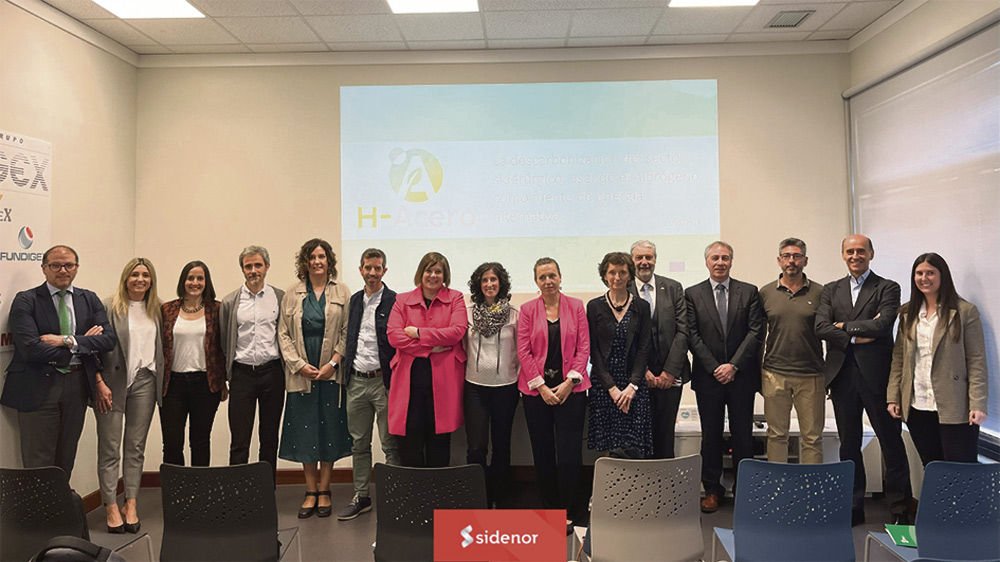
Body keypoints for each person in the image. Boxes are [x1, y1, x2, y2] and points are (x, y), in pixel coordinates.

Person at [816, 235, 912, 526]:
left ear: (871, 253)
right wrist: (858, 335)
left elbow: (883, 325)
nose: (855, 256)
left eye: (861, 251)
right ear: (843, 255)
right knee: (849, 445)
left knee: (891, 443)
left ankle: (899, 509)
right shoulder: (831, 289)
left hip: (878, 377)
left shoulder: (887, 287)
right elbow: (820, 326)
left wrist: (843, 326)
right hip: (842, 376)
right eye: (850, 251)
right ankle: (853, 507)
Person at [1, 245, 116, 479]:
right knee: (38, 462)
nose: (63, 270)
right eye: (55, 265)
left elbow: (108, 340)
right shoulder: (27, 300)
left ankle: (60, 503)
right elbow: (31, 348)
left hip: (77, 384)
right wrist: (81, 347)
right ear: (44, 268)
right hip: (37, 385)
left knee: (66, 457)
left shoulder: (89, 299)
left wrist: (67, 341)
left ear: (76, 267)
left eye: (69, 265)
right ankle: (39, 505)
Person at [888, 253, 988, 465]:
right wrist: (894, 397)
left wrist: (978, 403)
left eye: (930, 273)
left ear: (943, 276)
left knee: (960, 469)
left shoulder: (964, 312)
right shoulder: (908, 313)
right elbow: (899, 359)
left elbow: (976, 361)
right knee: (932, 466)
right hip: (918, 405)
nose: (924, 278)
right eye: (919, 273)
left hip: (955, 405)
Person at [277, 238, 352, 519]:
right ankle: (310, 490)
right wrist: (298, 365)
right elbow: (283, 333)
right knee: (305, 430)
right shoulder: (292, 293)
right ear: (305, 262)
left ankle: (325, 489)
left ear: (329, 261)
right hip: (302, 374)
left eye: (322, 256)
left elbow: (347, 331)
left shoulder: (342, 291)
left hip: (331, 372)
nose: (317, 261)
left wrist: (333, 363)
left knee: (329, 429)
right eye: (312, 257)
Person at [685, 241, 762, 513]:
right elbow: (691, 334)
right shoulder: (692, 294)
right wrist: (715, 367)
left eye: (725, 258)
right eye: (715, 258)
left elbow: (755, 332)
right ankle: (712, 490)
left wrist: (733, 366)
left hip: (741, 377)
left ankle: (745, 491)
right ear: (707, 262)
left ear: (731, 261)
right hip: (708, 378)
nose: (720, 262)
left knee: (743, 436)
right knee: (711, 437)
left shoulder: (749, 292)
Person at [517, 257, 590, 532]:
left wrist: (569, 382)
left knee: (570, 452)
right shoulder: (527, 310)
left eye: (552, 276)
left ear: (560, 277)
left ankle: (569, 508)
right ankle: (549, 508)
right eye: (542, 277)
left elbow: (584, 347)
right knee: (543, 450)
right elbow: (523, 350)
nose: (548, 281)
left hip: (572, 390)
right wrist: (542, 387)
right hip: (537, 392)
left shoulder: (577, 306)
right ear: (536, 281)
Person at [94, 258, 163, 534]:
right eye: (135, 274)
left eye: (145, 275)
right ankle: (110, 504)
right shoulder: (108, 306)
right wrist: (98, 382)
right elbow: (92, 348)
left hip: (146, 381)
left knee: (135, 446)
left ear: (151, 279)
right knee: (110, 448)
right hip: (112, 384)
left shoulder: (157, 308)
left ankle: (131, 503)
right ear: (126, 278)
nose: (140, 279)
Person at [387, 252, 467, 467]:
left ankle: (437, 488)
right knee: (409, 443)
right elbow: (394, 336)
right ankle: (414, 489)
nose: (433, 275)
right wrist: (432, 348)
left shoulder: (456, 298)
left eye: (438, 271)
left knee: (439, 443)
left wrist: (419, 333)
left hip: (444, 381)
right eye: (428, 270)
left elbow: (457, 332)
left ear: (445, 275)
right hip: (409, 381)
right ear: (420, 273)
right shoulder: (402, 300)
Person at [339, 248, 399, 521]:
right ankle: (361, 496)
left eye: (377, 268)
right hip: (356, 382)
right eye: (368, 267)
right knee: (359, 444)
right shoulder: (353, 301)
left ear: (384, 270)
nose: (372, 272)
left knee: (390, 444)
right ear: (360, 269)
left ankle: (394, 497)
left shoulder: (395, 301)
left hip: (383, 383)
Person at [220, 246, 285, 481]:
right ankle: (239, 490)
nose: (253, 270)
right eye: (248, 266)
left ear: (267, 267)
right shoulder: (230, 302)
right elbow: (223, 341)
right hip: (242, 376)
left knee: (269, 437)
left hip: (272, 374)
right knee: (239, 439)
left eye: (258, 265)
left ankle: (266, 489)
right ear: (242, 269)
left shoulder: (280, 298)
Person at [758, 238, 825, 464]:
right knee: (776, 435)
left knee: (812, 438)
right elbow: (759, 336)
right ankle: (779, 483)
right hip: (774, 374)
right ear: (779, 260)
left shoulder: (820, 293)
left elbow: (829, 332)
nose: (791, 261)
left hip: (811, 375)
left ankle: (811, 484)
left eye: (797, 256)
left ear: (805, 260)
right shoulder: (766, 293)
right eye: (786, 256)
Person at [160, 260, 228, 467]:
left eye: (200, 278)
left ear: (207, 282)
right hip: (172, 384)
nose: (195, 283)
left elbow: (223, 347)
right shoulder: (167, 309)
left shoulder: (217, 309)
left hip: (205, 384)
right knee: (172, 443)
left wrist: (224, 382)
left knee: (200, 441)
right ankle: (176, 486)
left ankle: (199, 487)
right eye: (191, 278)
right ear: (183, 281)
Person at [464, 262, 519, 508]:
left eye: (493, 279)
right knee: (476, 446)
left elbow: (522, 350)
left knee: (502, 444)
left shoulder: (514, 314)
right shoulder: (467, 313)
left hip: (506, 387)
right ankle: (477, 497)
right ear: (478, 284)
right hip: (475, 387)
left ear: (501, 283)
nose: (489, 284)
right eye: (485, 280)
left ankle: (499, 497)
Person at [587, 251, 652, 457]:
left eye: (622, 272)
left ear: (630, 274)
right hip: (604, 385)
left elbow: (644, 348)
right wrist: (612, 388)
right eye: (612, 272)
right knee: (608, 443)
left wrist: (632, 386)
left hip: (633, 386)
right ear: (605, 275)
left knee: (634, 445)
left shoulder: (642, 307)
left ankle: (634, 480)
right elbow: (594, 350)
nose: (617, 277)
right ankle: (610, 480)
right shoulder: (594, 306)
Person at [629, 240, 690, 459]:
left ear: (655, 259)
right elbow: (624, 337)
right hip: (636, 378)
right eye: (639, 257)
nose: (644, 262)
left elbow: (683, 331)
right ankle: (642, 480)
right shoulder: (623, 289)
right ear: (632, 261)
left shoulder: (673, 288)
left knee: (665, 436)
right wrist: (642, 371)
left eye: (649, 257)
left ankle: (665, 481)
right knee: (638, 439)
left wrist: (670, 371)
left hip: (669, 378)